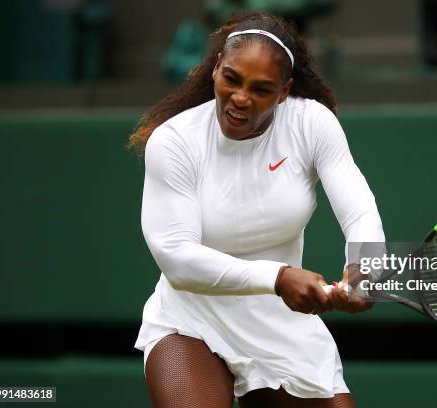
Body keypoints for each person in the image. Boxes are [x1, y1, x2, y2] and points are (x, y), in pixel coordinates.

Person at [127, 11, 385, 408]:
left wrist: (366, 265)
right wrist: (278, 277)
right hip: (191, 320)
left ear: (284, 92)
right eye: (231, 79)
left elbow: (358, 208)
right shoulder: (175, 141)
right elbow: (175, 257)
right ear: (216, 69)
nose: (241, 98)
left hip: (281, 325)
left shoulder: (312, 123)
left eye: (262, 89)